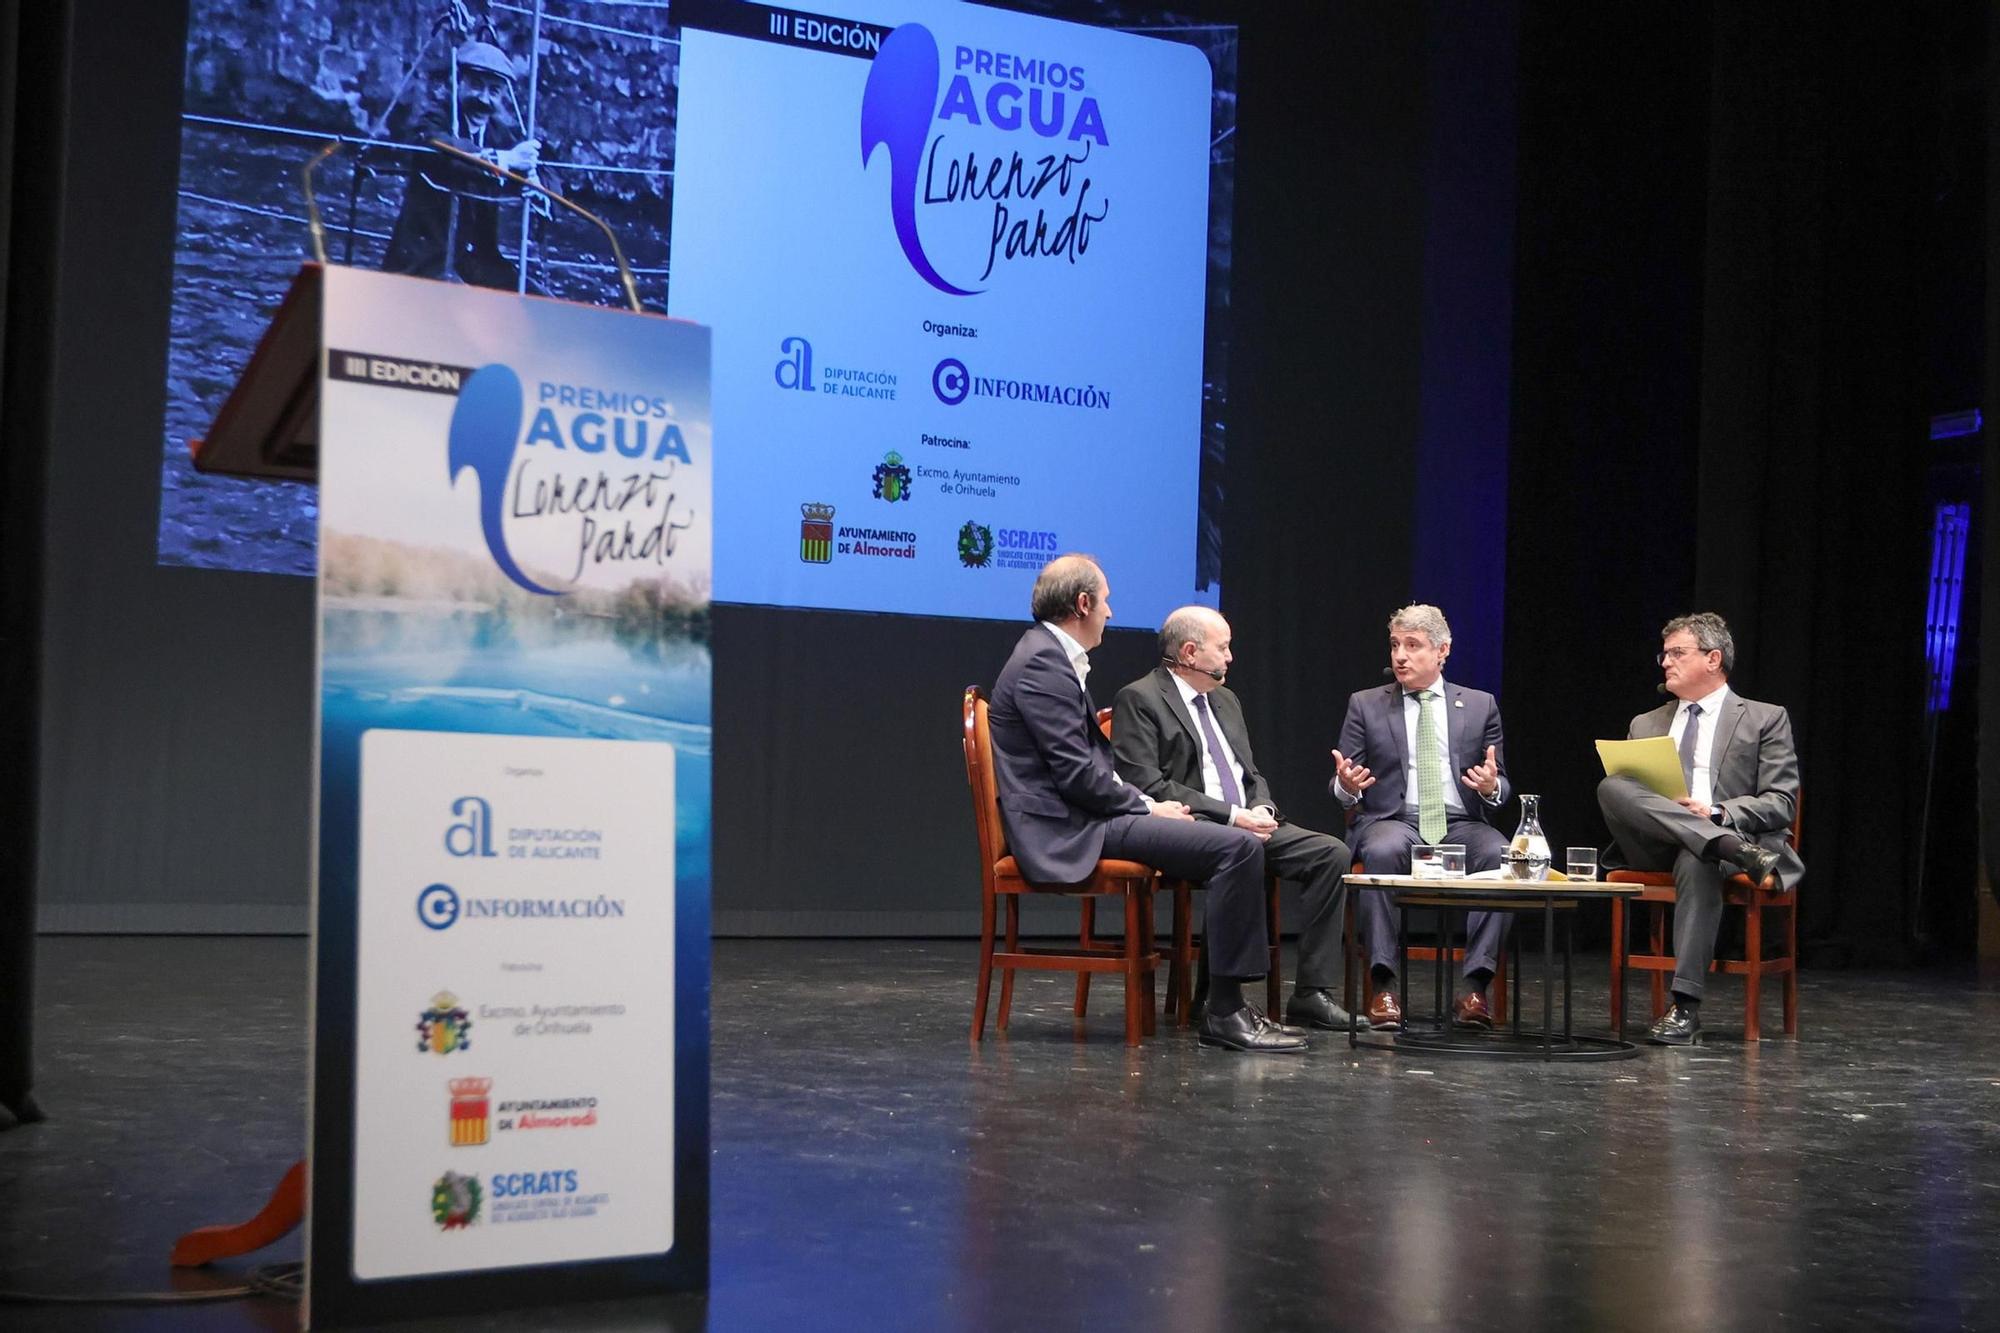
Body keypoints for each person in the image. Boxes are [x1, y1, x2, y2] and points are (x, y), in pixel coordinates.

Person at [988, 556, 1304, 1052]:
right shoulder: (1041, 664)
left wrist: (1140, 802)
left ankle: (1224, 1005)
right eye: (1106, 601)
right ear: (1083, 603)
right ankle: (1225, 1012)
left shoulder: (1046, 656)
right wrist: (1147, 807)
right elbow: (1076, 776)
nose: (1111, 614)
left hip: (1088, 814)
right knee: (1238, 848)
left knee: (1236, 843)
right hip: (1072, 825)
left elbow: (1086, 768)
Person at [1111, 606, 1364, 1031]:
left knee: (1331, 854)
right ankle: (1218, 998)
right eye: (1223, 647)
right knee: (1239, 848)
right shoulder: (1140, 698)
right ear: (1190, 652)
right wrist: (1232, 817)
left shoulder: (1226, 700)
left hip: (1247, 821)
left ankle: (1311, 994)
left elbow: (1250, 773)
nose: (1230, 657)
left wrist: (1261, 808)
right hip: (1187, 826)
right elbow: (1149, 785)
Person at [1597, 612, 1802, 1046]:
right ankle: (1727, 847)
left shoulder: (1764, 719)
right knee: (1612, 786)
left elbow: (1782, 802)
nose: (1665, 662)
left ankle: (1685, 1007)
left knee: (1699, 856)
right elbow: (1634, 802)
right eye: (1664, 653)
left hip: (1720, 843)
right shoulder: (1645, 723)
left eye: (1677, 653)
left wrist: (1718, 814)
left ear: (1713, 659)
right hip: (1658, 845)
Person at [1329, 604, 1512, 1030]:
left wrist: (1490, 786)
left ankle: (1474, 988)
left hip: (1461, 822)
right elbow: (1342, 785)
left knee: (1504, 855)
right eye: (1395, 645)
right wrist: (1349, 786)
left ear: (1442, 651)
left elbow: (1500, 786)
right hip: (1395, 819)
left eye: (1413, 646)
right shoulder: (1366, 704)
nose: (1401, 657)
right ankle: (1384, 986)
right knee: (1383, 850)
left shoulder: (1481, 705)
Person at [382, 40, 542, 289]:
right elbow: (443, 150)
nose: (484, 99)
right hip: (425, 262)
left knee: (536, 300)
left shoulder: (500, 134)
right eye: (476, 86)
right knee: (465, 306)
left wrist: (536, 183)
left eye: (494, 91)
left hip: (478, 263)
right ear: (457, 83)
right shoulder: (434, 120)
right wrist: (504, 160)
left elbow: (547, 168)